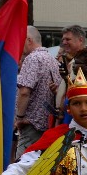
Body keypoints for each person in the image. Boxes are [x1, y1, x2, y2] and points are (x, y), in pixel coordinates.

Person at [14, 25, 61, 158]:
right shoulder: (52, 60)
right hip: (48, 123)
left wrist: (19, 118)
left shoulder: (32, 59)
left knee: (23, 166)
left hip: (31, 124)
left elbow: (24, 91)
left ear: (29, 40)